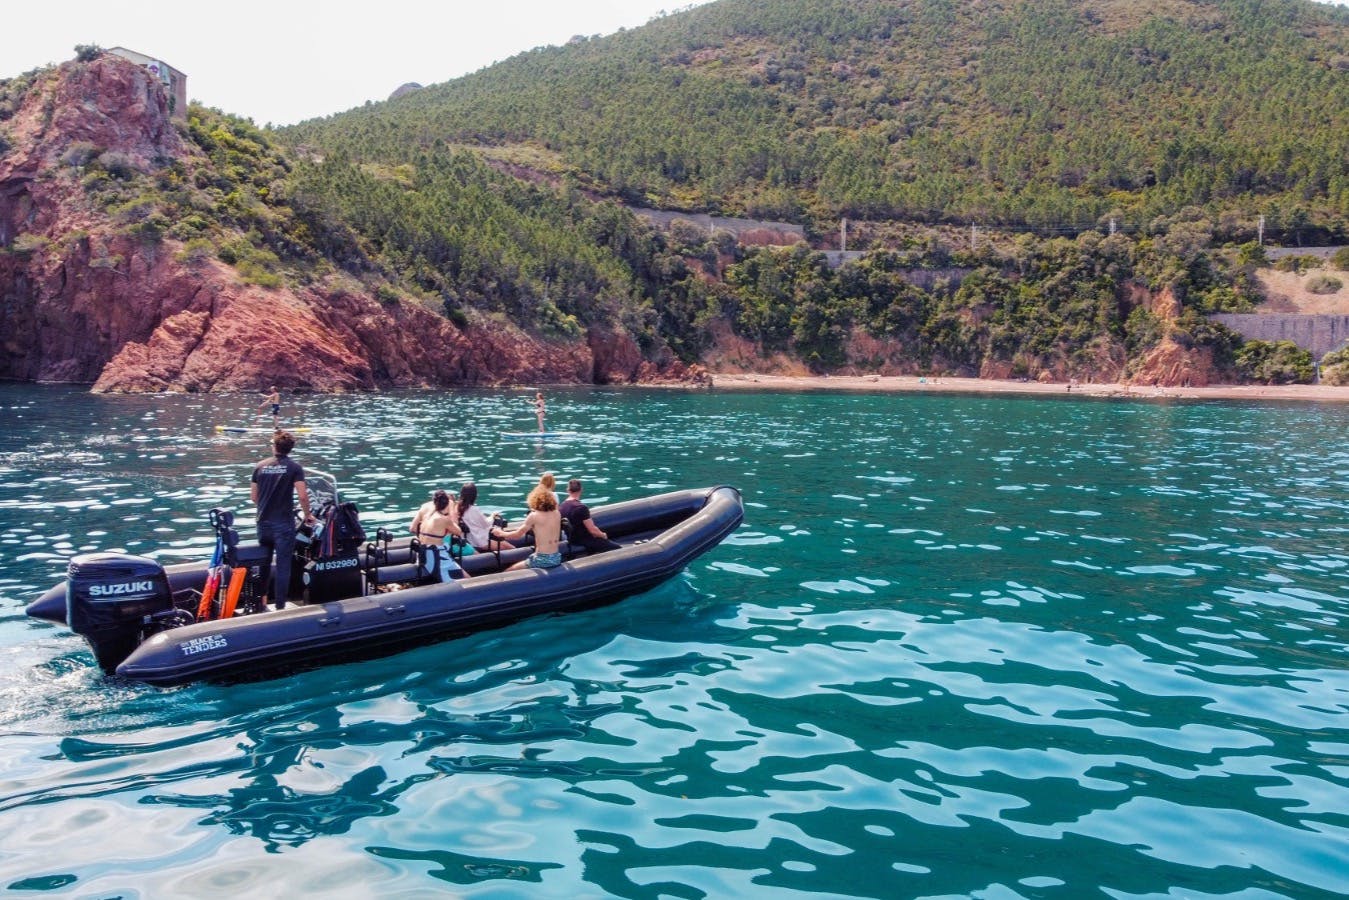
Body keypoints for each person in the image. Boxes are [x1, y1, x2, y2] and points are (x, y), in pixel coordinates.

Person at [250, 430, 315, 609]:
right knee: (283, 565)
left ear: (274, 446)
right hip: (283, 525)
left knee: (264, 562)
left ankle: (261, 603)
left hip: (263, 523)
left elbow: (254, 497)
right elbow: (302, 495)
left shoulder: (260, 466)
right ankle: (279, 606)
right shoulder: (295, 468)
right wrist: (308, 515)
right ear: (290, 449)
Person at [491, 481, 562, 570]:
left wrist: (501, 533)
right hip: (556, 557)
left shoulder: (534, 516)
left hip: (542, 560)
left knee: (508, 571)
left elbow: (517, 535)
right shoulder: (557, 513)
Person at [409, 489, 465, 582]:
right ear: (447, 504)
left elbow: (413, 528)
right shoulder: (443, 519)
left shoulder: (427, 515)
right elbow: (458, 531)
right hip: (436, 557)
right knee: (464, 578)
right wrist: (451, 509)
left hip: (422, 554)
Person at [560, 479, 621, 553]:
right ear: (581, 490)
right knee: (618, 548)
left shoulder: (562, 506)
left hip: (572, 540)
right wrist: (603, 535)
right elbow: (592, 530)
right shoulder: (581, 507)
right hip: (585, 540)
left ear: (568, 490)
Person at [457, 482, 512, 553]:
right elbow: (486, 524)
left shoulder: (458, 508)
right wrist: (492, 516)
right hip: (480, 542)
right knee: (511, 548)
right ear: (474, 495)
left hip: (469, 541)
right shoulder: (474, 510)